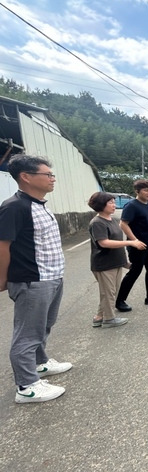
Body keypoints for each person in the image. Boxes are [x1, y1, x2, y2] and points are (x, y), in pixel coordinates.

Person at [0, 154, 72, 403]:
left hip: (51, 276)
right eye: (48, 174)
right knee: (28, 333)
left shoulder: (39, 204)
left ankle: (40, 363)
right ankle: (26, 386)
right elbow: (3, 245)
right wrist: (3, 278)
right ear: (26, 177)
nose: (53, 178)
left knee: (44, 325)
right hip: (32, 279)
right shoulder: (14, 207)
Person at [88, 192, 146, 328]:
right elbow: (104, 243)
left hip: (115, 263)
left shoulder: (112, 220)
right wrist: (131, 243)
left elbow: (117, 242)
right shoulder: (97, 222)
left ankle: (99, 317)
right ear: (101, 205)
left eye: (114, 202)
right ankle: (109, 319)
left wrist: (124, 262)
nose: (114, 205)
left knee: (109, 292)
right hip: (104, 264)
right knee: (108, 293)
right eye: (111, 203)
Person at [115, 179, 148, 311]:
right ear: (137, 191)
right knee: (134, 272)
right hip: (137, 247)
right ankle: (120, 301)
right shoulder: (132, 205)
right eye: (145, 190)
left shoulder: (147, 205)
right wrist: (134, 241)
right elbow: (123, 224)